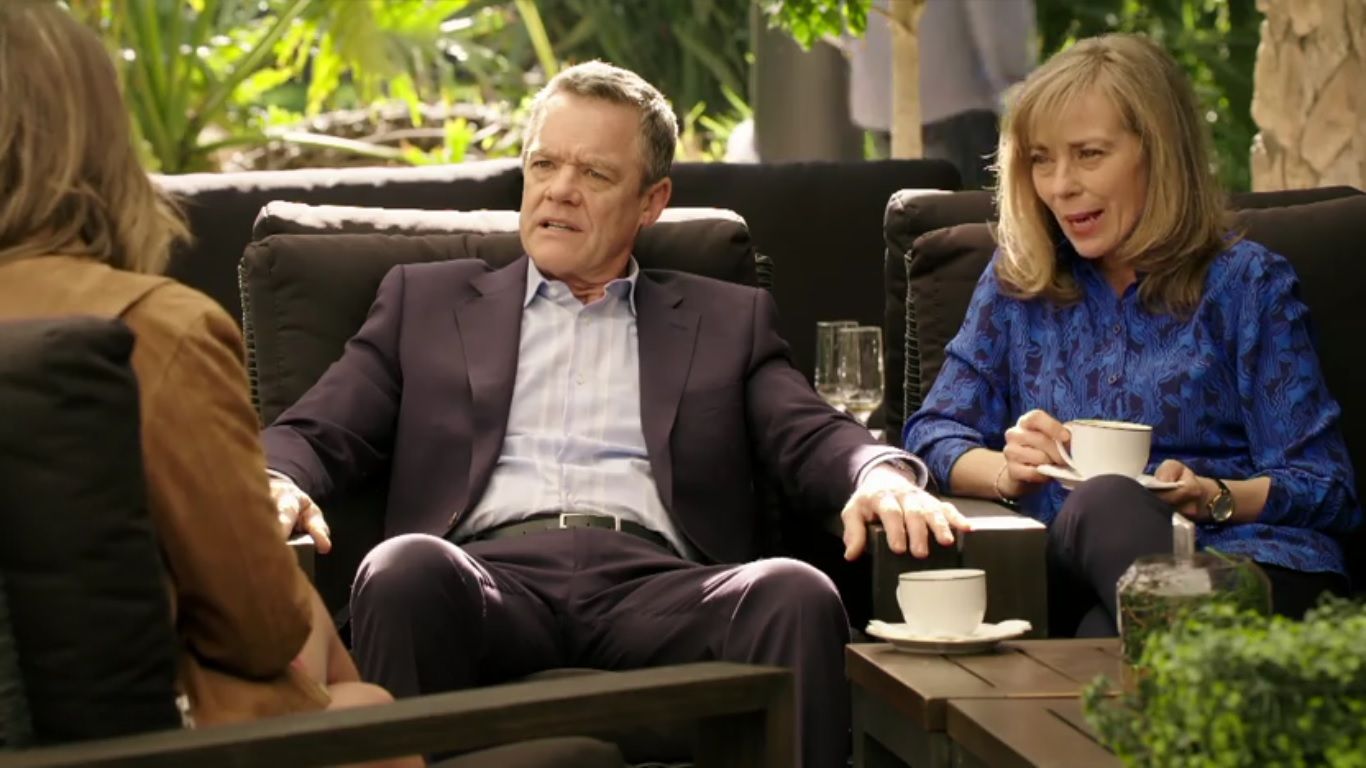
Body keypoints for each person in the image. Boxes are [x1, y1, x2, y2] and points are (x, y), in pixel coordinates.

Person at [263, 60, 968, 767]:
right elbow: (318, 429)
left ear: (651, 201)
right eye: (544, 165)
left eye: (594, 174)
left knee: (796, 592)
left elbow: (808, 430)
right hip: (483, 580)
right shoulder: (426, 304)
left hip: (659, 588)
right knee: (402, 569)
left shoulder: (724, 320)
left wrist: (878, 475)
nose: (559, 190)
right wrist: (275, 480)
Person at [0, 1, 413, 756]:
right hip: (143, 741)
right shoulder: (155, 329)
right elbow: (258, 628)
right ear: (96, 142)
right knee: (369, 705)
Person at [903, 33, 1362, 637]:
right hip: (1079, 561)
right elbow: (932, 433)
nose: (1060, 185)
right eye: (1041, 159)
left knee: (1104, 632)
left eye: (1089, 154)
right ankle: (1209, 664)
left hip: (1253, 568)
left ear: (1158, 153)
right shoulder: (1021, 282)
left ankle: (1189, 652)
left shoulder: (1248, 284)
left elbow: (1327, 489)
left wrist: (1213, 495)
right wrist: (1006, 471)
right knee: (1105, 502)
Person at [847, 0, 1035, 184]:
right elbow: (996, 14)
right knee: (970, 202)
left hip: (880, 101)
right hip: (959, 101)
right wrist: (1014, 84)